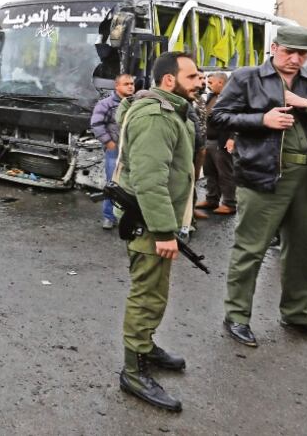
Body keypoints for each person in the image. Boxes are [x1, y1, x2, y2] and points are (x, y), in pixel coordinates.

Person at [211, 26, 307, 347]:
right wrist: (261, 120)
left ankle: (298, 314)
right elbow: (217, 118)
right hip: (263, 174)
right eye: (288, 52)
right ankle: (236, 315)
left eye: (302, 54)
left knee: (305, 251)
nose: (294, 60)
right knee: (250, 248)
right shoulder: (247, 77)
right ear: (274, 48)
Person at [115, 51, 202, 412]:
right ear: (170, 80)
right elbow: (151, 180)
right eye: (193, 76)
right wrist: (165, 231)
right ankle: (133, 371)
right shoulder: (156, 116)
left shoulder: (171, 110)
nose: (200, 82)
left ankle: (145, 346)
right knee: (147, 295)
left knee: (155, 290)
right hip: (151, 223)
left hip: (156, 220)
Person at [90, 73, 135, 229]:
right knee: (113, 184)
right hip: (114, 150)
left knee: (131, 184)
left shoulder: (136, 103)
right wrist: (108, 142)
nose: (130, 86)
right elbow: (96, 124)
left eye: (132, 84)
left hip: (132, 151)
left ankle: (128, 216)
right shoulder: (105, 104)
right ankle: (109, 216)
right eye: (126, 84)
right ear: (117, 86)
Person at [195, 72, 236, 217]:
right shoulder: (212, 97)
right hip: (209, 140)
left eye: (211, 82)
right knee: (210, 172)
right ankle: (212, 199)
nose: (208, 85)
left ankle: (229, 203)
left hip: (222, 141)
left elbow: (235, 120)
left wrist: (232, 138)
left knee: (225, 173)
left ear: (221, 82)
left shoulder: (231, 98)